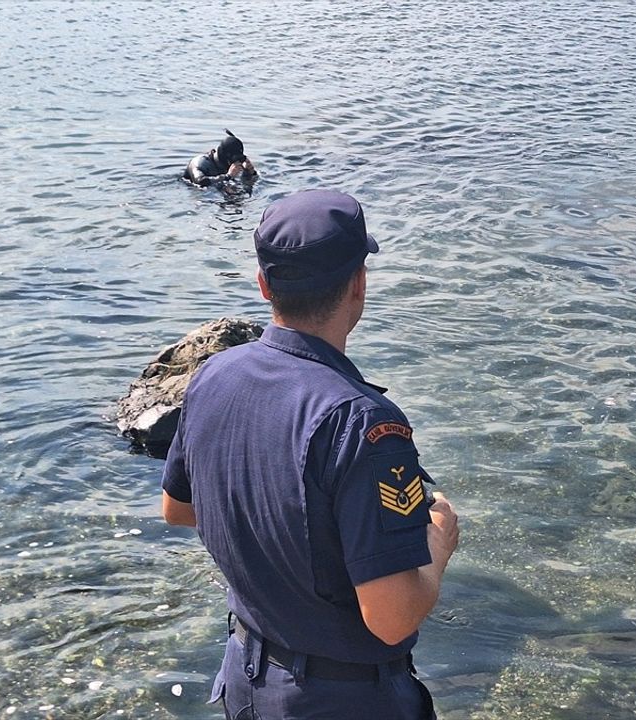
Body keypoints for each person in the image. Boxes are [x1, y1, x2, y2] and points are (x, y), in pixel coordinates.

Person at [161, 189, 459, 720]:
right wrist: (438, 544)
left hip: (245, 679)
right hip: (342, 701)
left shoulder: (213, 376)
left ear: (263, 285)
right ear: (358, 285)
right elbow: (391, 619)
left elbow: (178, 510)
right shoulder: (363, 423)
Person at [184, 129, 258, 188]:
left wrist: (249, 173)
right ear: (225, 157)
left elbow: (245, 181)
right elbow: (199, 181)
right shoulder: (200, 163)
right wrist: (227, 176)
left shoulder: (231, 166)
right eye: (233, 160)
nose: (235, 163)